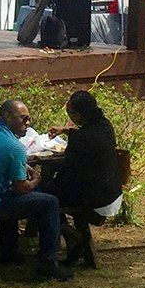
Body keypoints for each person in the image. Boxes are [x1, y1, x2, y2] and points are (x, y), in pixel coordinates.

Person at [0, 99, 72, 282]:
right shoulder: (14, 147)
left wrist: (21, 166)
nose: (28, 124)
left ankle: (9, 253)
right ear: (7, 117)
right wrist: (37, 179)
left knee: (8, 195)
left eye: (29, 119)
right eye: (24, 119)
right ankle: (48, 264)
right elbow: (22, 188)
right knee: (49, 202)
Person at [41, 90, 124, 267]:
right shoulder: (105, 126)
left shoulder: (82, 139)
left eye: (69, 113)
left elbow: (68, 173)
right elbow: (85, 136)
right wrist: (66, 130)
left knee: (43, 197)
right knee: (49, 191)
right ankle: (72, 239)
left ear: (78, 114)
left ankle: (72, 238)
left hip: (94, 197)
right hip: (112, 190)